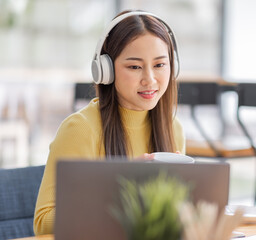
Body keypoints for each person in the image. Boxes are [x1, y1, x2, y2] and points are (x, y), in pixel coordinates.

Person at [33, 10, 185, 235]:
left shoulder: (173, 128)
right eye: (134, 67)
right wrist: (118, 193)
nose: (150, 79)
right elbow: (43, 222)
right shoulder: (80, 129)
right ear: (106, 71)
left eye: (160, 65)